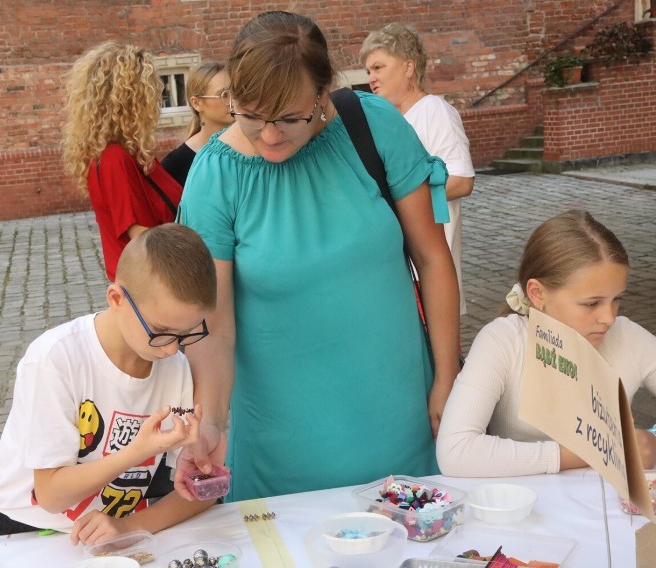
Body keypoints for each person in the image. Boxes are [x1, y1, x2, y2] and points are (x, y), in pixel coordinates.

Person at [175, 11, 461, 502]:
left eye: (289, 117)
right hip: (280, 439)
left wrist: (447, 377)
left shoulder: (374, 128)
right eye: (249, 114)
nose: (268, 135)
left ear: (324, 92)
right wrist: (212, 421)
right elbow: (215, 325)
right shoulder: (214, 176)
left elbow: (433, 259)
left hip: (397, 410)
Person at [0, 224, 217, 544]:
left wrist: (132, 525)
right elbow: (50, 496)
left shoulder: (174, 366)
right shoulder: (56, 359)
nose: (172, 349)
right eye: (161, 331)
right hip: (18, 528)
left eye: (186, 335)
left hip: (108, 532)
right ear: (116, 298)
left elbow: (202, 491)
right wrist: (137, 452)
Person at [436, 210, 656, 477]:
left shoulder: (628, 337)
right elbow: (455, 450)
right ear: (537, 293)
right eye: (592, 303)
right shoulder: (503, 341)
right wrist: (593, 452)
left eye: (617, 299)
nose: (609, 317)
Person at [361, 23, 475, 315]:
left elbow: (461, 180)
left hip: (429, 269)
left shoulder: (434, 111)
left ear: (408, 67)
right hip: (400, 266)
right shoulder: (391, 119)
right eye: (368, 72)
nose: (371, 79)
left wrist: (398, 199)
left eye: (378, 68)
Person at [63, 42, 183, 282]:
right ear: (129, 98)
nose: (156, 98)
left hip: (156, 280)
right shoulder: (114, 159)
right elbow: (141, 237)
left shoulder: (125, 153)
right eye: (149, 90)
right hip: (152, 285)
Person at [161, 62, 234, 187]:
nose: (232, 101)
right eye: (224, 95)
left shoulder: (251, 148)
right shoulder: (176, 164)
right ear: (197, 103)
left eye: (235, 92)